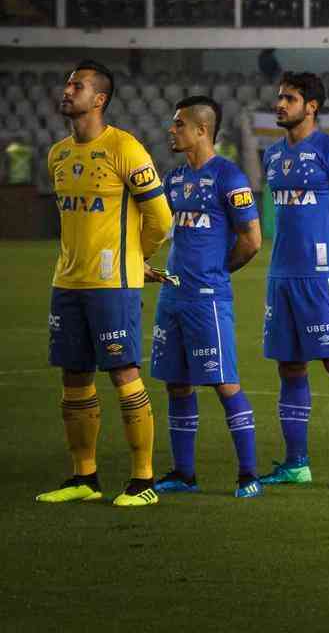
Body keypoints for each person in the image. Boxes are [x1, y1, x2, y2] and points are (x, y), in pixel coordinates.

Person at [37, 60, 172, 507]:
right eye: (67, 83)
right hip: (67, 282)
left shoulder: (125, 148)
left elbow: (160, 218)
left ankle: (143, 480)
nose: (66, 90)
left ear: (99, 99)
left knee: (123, 372)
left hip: (113, 284)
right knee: (74, 377)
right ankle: (85, 477)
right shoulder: (58, 153)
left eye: (76, 85)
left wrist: (137, 259)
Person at [259, 72, 329, 489]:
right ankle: (296, 463)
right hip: (281, 276)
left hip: (320, 279)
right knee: (289, 367)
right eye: (279, 97)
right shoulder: (272, 155)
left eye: (289, 98)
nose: (280, 104)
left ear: (312, 106)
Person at [148, 96, 264, 498]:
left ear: (202, 130)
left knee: (224, 383)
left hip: (208, 300)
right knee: (176, 385)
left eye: (179, 124)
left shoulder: (229, 178)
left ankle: (248, 475)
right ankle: (184, 473)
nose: (171, 130)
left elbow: (252, 241)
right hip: (173, 297)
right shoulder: (174, 178)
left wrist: (217, 273)